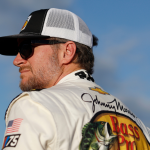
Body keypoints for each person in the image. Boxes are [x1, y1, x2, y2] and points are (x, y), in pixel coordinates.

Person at [0, 8, 150, 150]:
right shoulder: (142, 128)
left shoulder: (34, 105)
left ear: (67, 51)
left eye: (26, 49)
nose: (17, 60)